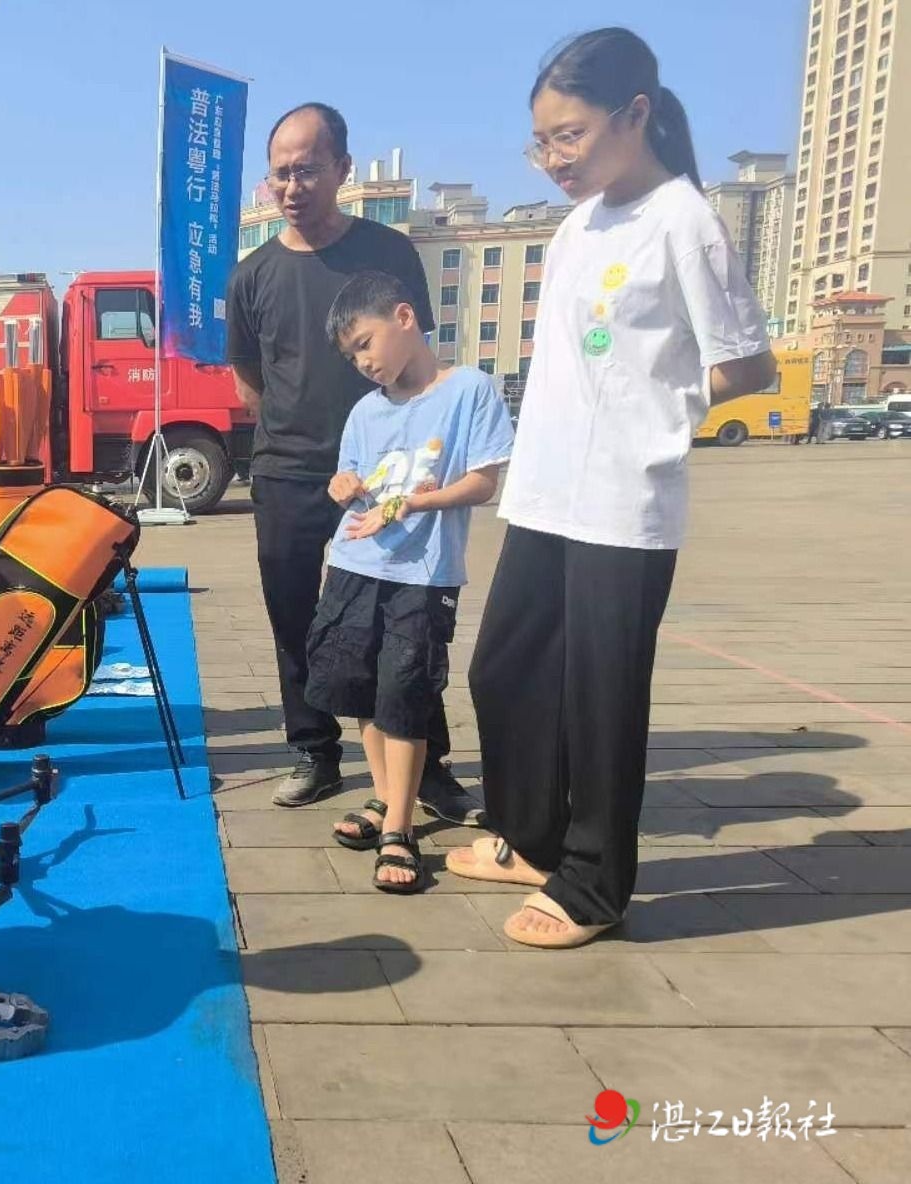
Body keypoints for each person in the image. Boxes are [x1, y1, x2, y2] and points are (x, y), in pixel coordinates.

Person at [454, 29, 775, 947]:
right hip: (545, 491)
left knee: (600, 698)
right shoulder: (576, 224)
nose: (555, 158)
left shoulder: (683, 220)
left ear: (635, 114)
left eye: (570, 135)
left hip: (623, 499)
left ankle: (595, 886)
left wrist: (660, 402)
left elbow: (747, 364)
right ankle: (529, 838)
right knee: (503, 669)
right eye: (541, 143)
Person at [226, 102, 482, 824]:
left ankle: (425, 764)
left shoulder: (388, 254)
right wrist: (295, 431)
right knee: (293, 616)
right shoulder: (251, 275)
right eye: (280, 173)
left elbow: (417, 358)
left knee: (406, 623)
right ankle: (313, 750)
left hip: (386, 477)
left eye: (308, 170)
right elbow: (248, 379)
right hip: (288, 472)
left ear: (342, 168)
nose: (292, 186)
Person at [309, 273, 514, 893]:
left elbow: (483, 483)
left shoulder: (468, 390)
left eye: (365, 344)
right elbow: (348, 478)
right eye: (352, 356)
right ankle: (383, 796)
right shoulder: (365, 411)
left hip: (421, 576)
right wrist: (341, 486)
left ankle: (398, 827)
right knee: (362, 689)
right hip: (355, 563)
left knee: (405, 691)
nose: (364, 363)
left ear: (404, 317)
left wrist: (414, 504)